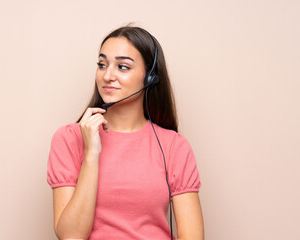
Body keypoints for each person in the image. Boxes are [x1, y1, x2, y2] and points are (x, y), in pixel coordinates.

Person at [47, 25, 204, 240]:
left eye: (122, 67)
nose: (107, 75)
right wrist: (91, 154)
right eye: (102, 65)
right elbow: (71, 236)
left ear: (150, 77)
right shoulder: (69, 139)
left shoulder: (174, 145)